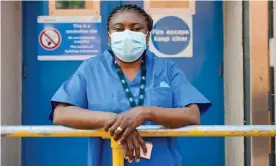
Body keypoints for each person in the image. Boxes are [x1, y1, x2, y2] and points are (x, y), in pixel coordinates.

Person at [49, 4, 211, 166]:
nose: (127, 34)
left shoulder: (166, 68)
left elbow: (192, 114)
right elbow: (61, 113)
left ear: (147, 36)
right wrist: (115, 121)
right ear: (109, 37)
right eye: (119, 29)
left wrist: (145, 113)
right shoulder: (91, 68)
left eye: (136, 28)